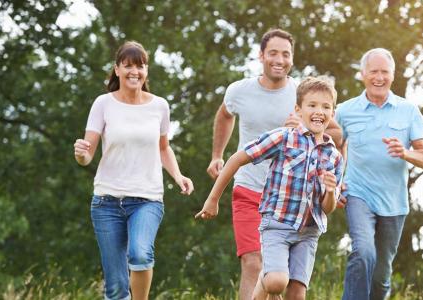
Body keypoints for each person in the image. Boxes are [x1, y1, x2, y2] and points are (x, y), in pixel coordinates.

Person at [204, 29, 341, 300]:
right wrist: (217, 154)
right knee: (253, 262)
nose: (279, 59)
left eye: (286, 54)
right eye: (273, 53)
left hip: (294, 201)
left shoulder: (304, 94)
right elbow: (224, 116)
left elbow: (335, 134)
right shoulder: (240, 90)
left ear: (292, 59)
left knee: (283, 281)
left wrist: (302, 126)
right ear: (261, 55)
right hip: (250, 188)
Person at [73, 41, 194, 300]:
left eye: (139, 66)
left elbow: (163, 148)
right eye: (127, 66)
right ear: (116, 70)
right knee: (116, 287)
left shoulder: (159, 106)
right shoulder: (103, 104)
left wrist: (178, 175)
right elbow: (88, 153)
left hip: (147, 199)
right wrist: (82, 154)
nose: (134, 71)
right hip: (106, 201)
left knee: (140, 253)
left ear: (146, 71)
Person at [337, 48, 423, 300]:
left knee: (381, 275)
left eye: (384, 72)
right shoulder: (345, 111)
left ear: (393, 75)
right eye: (373, 72)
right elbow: (333, 149)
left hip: (394, 202)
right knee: (363, 252)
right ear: (363, 74)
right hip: (358, 194)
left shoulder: (408, 110)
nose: (379, 77)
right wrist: (336, 183)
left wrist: (405, 153)